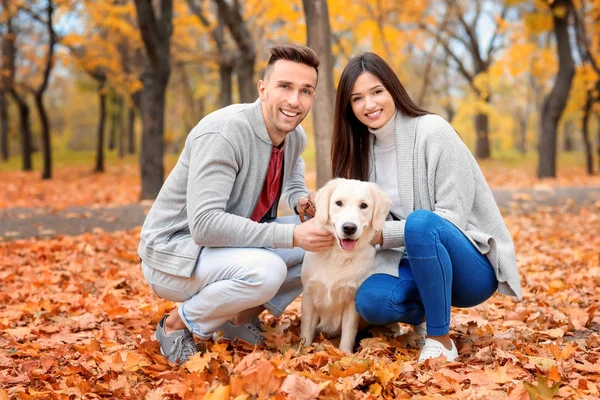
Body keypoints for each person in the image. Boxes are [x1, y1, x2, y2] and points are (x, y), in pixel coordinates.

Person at [138, 44, 333, 364]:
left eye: (305, 91)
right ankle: (176, 326)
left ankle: (237, 319)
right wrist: (293, 236)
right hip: (176, 253)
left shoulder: (294, 137)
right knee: (267, 272)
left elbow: (294, 183)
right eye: (285, 86)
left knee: (326, 238)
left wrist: (302, 203)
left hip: (229, 246)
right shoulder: (224, 133)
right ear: (263, 88)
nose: (294, 100)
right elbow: (205, 226)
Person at [331, 52, 522, 363]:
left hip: (468, 266)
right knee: (372, 302)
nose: (369, 105)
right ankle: (426, 312)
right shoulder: (361, 151)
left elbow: (451, 218)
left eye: (377, 92)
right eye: (357, 98)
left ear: (393, 89)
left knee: (420, 223)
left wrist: (381, 235)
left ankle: (440, 339)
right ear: (348, 107)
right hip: (407, 261)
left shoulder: (434, 131)